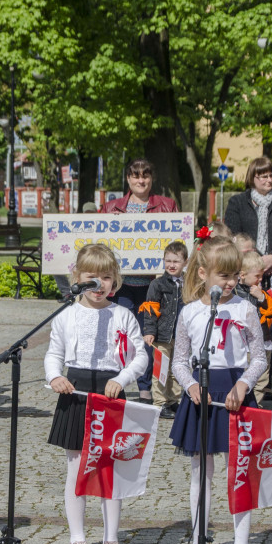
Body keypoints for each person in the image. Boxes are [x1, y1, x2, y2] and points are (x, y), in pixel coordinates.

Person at [169, 237, 267, 544]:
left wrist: (243, 383)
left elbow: (260, 357)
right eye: (222, 276)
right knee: (201, 470)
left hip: (235, 392)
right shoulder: (190, 312)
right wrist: (191, 384)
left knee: (239, 470)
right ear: (202, 274)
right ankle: (197, 538)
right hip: (203, 393)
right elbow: (179, 361)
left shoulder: (245, 309)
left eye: (235, 275)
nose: (230, 282)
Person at [45, 244, 146, 544]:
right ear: (77, 277)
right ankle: (77, 538)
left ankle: (111, 538)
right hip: (74, 392)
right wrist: (53, 377)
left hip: (111, 393)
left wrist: (124, 377)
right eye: (91, 277)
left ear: (115, 282)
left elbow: (141, 356)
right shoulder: (67, 314)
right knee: (76, 468)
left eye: (106, 277)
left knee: (109, 468)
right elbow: (54, 353)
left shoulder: (123, 315)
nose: (99, 284)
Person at [100, 158, 178, 403]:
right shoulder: (111, 207)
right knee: (122, 334)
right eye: (135, 176)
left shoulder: (167, 205)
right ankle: (118, 382)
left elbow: (177, 242)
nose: (140, 180)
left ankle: (146, 389)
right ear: (128, 179)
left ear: (151, 179)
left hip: (154, 286)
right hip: (122, 285)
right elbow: (100, 243)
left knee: (150, 336)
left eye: (145, 175)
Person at [223, 157, 272, 282]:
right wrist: (257, 260)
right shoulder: (237, 202)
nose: (269, 180)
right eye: (264, 176)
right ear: (252, 178)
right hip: (244, 267)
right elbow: (233, 235)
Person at [140, 241, 187, 419]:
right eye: (168, 261)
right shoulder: (158, 284)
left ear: (185, 262)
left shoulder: (187, 283)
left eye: (176, 261)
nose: (171, 265)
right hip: (161, 335)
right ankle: (160, 403)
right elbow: (150, 309)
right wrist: (149, 331)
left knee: (178, 369)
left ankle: (173, 400)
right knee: (161, 370)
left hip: (181, 336)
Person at [236, 251, 272, 406]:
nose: (260, 280)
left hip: (263, 338)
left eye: (262, 276)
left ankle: (256, 404)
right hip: (244, 342)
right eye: (257, 276)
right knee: (247, 374)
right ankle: (244, 402)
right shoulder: (235, 292)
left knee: (262, 376)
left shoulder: (261, 293)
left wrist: (262, 298)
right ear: (243, 275)